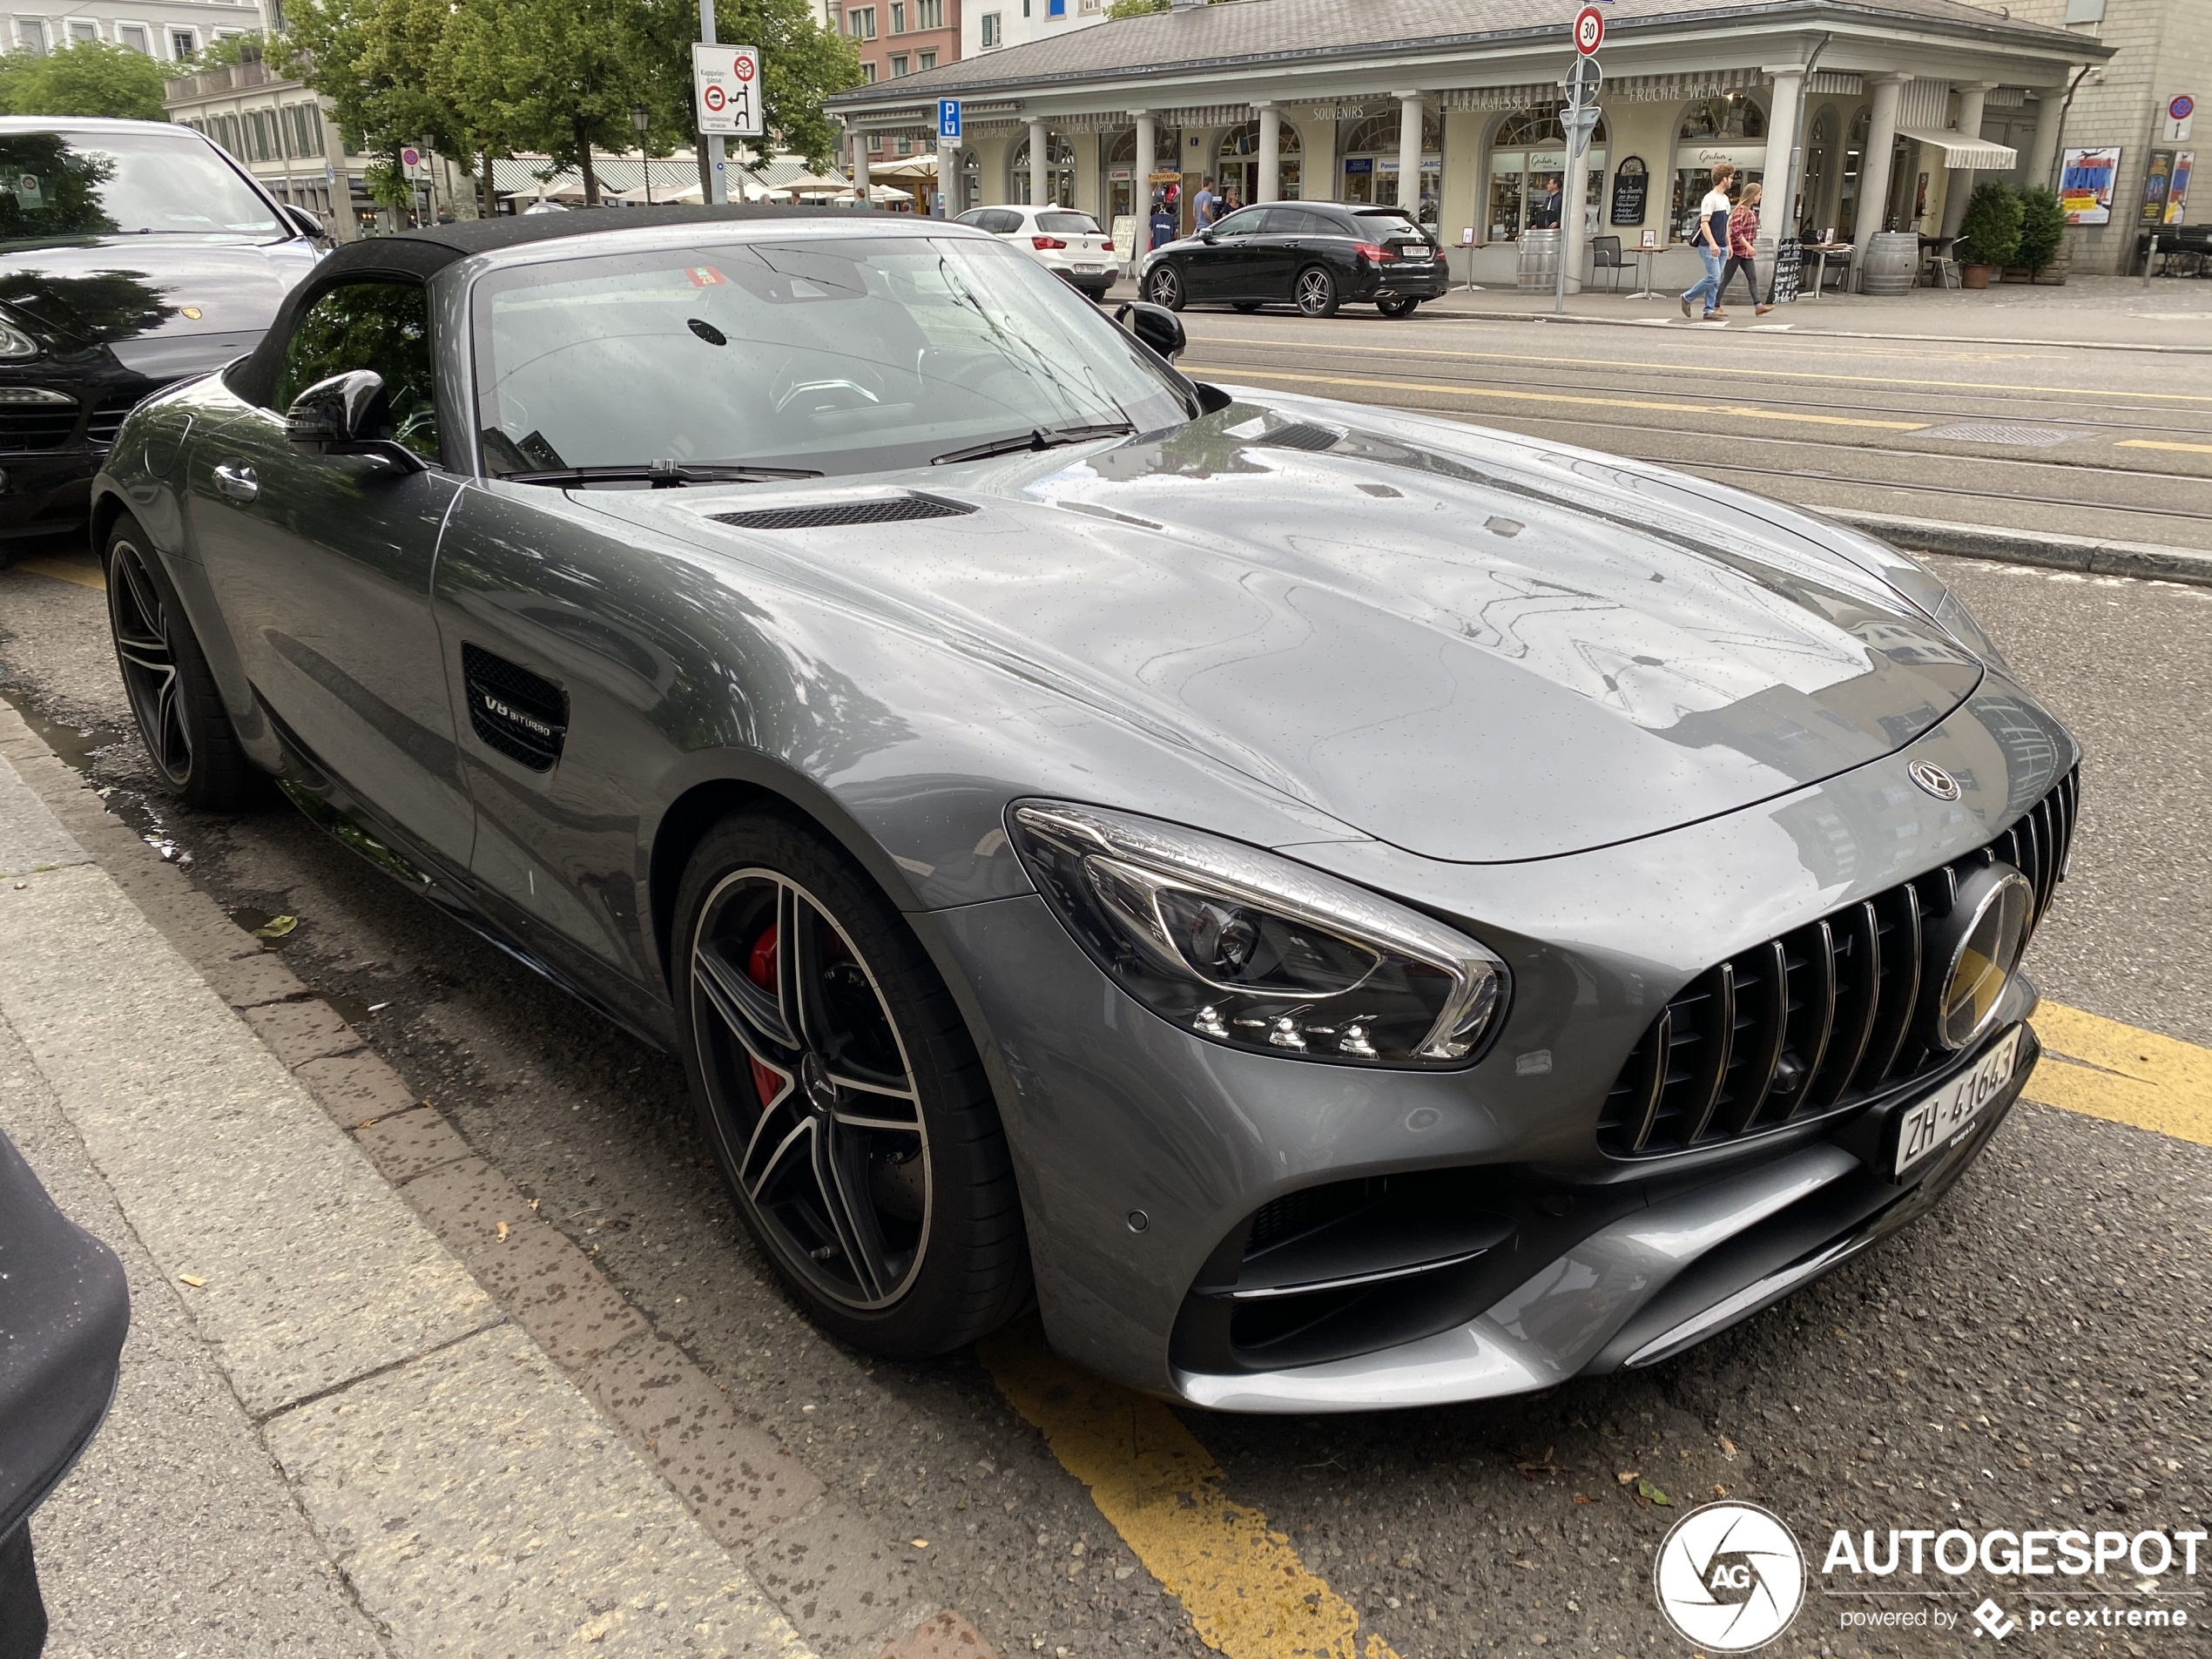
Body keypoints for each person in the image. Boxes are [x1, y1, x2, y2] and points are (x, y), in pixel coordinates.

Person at [1680, 161, 1734, 320]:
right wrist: (1712, 243)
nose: (1732, 181)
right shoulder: (1710, 199)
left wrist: (1728, 244)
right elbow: (1704, 223)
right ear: (1724, 179)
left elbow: (1725, 225)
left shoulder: (1725, 199)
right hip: (1709, 245)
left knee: (1716, 280)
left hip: (1721, 245)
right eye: (1730, 178)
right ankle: (1687, 297)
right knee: (1714, 277)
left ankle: (1709, 309)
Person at [1718, 180, 1774, 317]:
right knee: (1726, 279)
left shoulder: (1751, 211)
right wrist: (1748, 246)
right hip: (1737, 251)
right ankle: (1715, 304)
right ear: (1753, 195)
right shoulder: (1741, 210)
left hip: (1745, 252)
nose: (1760, 197)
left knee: (1752, 278)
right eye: (1759, 194)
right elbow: (1737, 231)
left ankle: (1758, 305)